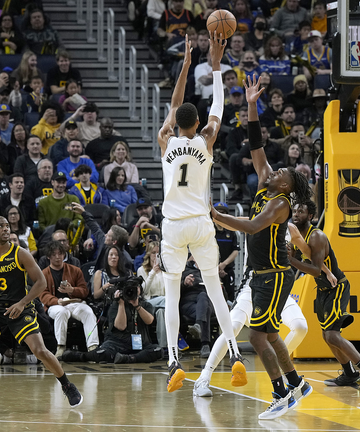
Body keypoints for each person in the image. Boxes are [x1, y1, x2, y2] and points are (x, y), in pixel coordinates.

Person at [209, 74, 344, 418]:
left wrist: (218, 215)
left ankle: (281, 393)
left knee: (257, 338)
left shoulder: (281, 203)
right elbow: (256, 144)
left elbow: (254, 225)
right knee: (269, 334)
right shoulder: (265, 185)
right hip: (264, 275)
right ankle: (297, 382)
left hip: (274, 275)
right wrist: (252, 105)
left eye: (281, 171)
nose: (275, 170)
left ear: (287, 185)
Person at [156, 34, 247, 394]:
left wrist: (185, 66)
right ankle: (235, 354)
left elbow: (175, 104)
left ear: (177, 123)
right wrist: (216, 65)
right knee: (215, 289)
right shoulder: (205, 139)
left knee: (173, 294)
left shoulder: (166, 139)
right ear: (197, 123)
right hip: (200, 222)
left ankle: (173, 363)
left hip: (173, 226)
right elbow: (218, 106)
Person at [193, 202, 326, 399]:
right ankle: (204, 377)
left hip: (278, 289)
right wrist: (211, 212)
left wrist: (327, 272)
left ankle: (278, 366)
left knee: (300, 326)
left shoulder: (290, 229)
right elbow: (228, 221)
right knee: (233, 327)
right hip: (252, 287)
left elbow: (309, 254)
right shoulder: (254, 223)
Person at [0, 217, 83, 409]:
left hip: (21, 307)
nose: (6, 229)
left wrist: (22, 303)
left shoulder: (20, 253)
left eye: (7, 226)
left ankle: (67, 385)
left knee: (39, 350)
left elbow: (41, 282)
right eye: (1, 226)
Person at [284, 199, 360, 393]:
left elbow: (314, 269)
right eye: (294, 211)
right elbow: (301, 259)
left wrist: (291, 260)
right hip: (322, 290)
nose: (296, 214)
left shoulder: (317, 236)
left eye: (301, 211)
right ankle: (350, 374)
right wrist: (288, 257)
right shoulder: (297, 237)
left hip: (336, 288)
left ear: (310, 216)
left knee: (332, 335)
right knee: (327, 336)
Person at [60, 275, 162, 365]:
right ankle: (81, 356)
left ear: (140, 290)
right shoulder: (116, 304)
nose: (132, 290)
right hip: (117, 343)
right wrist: (121, 304)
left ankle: (129, 358)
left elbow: (149, 321)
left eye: (136, 287)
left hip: (140, 344)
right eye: (129, 288)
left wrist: (137, 306)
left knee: (157, 350)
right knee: (102, 353)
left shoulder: (146, 305)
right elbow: (121, 327)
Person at [40, 240, 99, 357]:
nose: (58, 257)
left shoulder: (75, 270)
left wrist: (72, 290)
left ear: (64, 254)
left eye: (60, 254)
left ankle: (93, 347)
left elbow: (84, 291)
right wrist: (57, 301)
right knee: (61, 312)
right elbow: (43, 295)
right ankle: (60, 346)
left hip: (74, 303)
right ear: (48, 256)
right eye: (54, 254)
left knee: (88, 312)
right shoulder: (43, 274)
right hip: (54, 305)